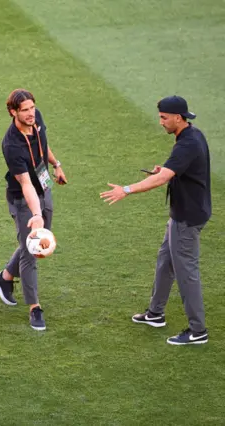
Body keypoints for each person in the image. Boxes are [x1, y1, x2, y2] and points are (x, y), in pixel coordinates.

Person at [101, 95, 211, 345]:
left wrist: (126, 189)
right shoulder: (192, 136)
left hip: (187, 217)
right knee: (165, 261)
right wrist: (166, 172)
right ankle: (155, 313)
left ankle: (198, 330)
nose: (160, 122)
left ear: (178, 118)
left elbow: (162, 180)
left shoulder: (187, 144)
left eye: (163, 118)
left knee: (186, 272)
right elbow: (181, 171)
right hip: (184, 212)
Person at [0, 89, 68, 331]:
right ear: (13, 112)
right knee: (32, 249)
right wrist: (36, 214)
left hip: (44, 186)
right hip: (24, 199)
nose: (31, 113)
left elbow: (43, 144)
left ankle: (4, 277)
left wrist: (57, 165)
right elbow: (25, 184)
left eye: (32, 108)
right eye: (25, 110)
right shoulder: (11, 144)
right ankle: (34, 308)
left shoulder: (37, 118)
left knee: (36, 240)